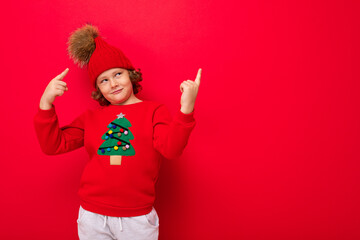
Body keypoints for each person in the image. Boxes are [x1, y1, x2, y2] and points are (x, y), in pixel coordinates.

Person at [33, 24, 201, 240]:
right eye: (104, 80)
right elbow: (53, 145)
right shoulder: (91, 118)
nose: (113, 84)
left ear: (130, 74)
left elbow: (171, 149)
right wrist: (45, 103)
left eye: (118, 74)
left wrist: (186, 109)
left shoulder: (153, 111)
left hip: (136, 218)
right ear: (98, 88)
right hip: (92, 215)